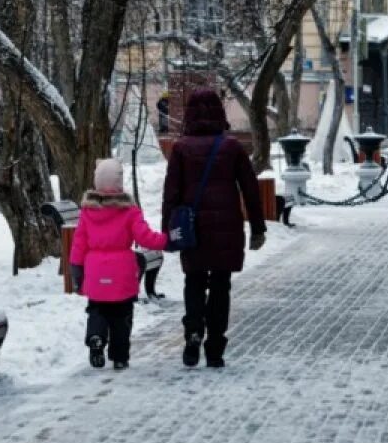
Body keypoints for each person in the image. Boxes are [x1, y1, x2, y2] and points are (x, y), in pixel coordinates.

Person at [162, 88, 265, 368]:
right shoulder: (230, 147)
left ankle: (193, 333)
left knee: (194, 281)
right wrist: (257, 227)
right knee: (221, 285)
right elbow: (250, 190)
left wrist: (167, 232)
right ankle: (216, 347)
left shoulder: (181, 149)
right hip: (226, 228)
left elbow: (171, 193)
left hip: (193, 229)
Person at [70, 158, 180, 371]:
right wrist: (167, 241)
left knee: (97, 309)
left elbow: (79, 243)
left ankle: (96, 337)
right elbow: (145, 237)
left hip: (95, 270)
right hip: (121, 271)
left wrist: (76, 269)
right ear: (119, 181)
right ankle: (119, 357)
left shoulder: (87, 211)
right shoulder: (129, 210)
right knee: (122, 315)